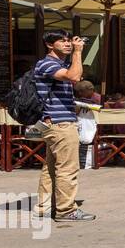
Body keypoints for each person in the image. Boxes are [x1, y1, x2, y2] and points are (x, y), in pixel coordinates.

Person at [32, 30, 95, 221]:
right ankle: (66, 210)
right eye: (63, 41)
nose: (68, 44)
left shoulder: (59, 64)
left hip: (58, 121)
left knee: (51, 168)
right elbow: (75, 77)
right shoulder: (48, 64)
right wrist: (78, 52)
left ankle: (44, 206)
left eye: (70, 41)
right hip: (60, 124)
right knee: (68, 168)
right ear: (50, 45)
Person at [73, 80, 100, 170]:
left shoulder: (97, 99)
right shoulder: (96, 98)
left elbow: (75, 113)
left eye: (81, 91)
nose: (79, 93)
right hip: (93, 127)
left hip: (94, 127)